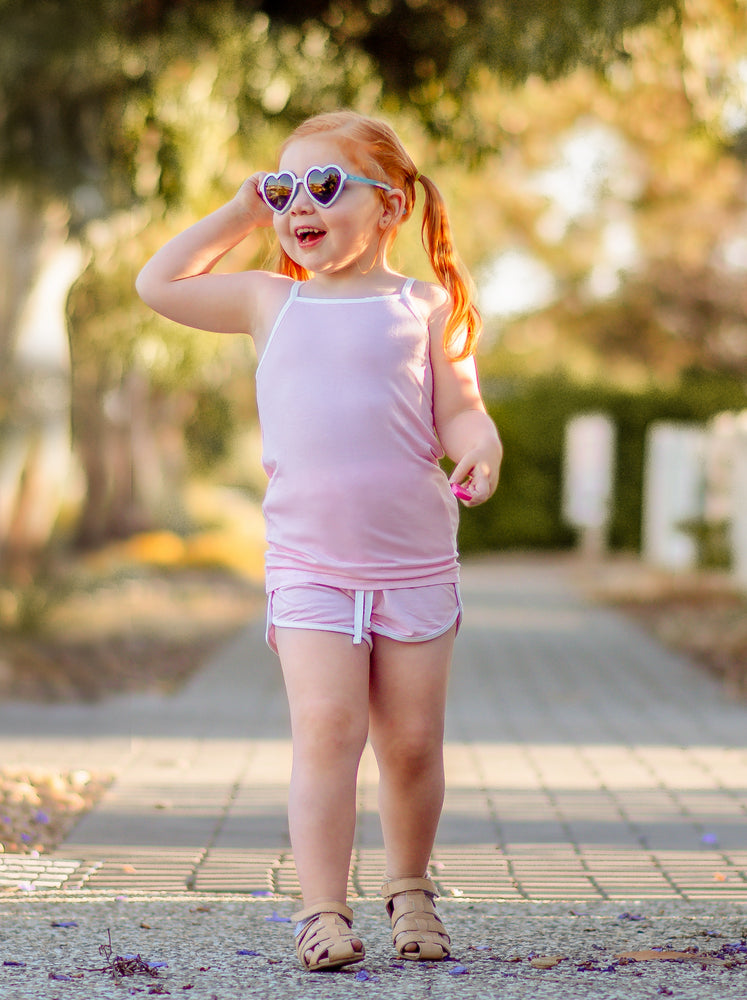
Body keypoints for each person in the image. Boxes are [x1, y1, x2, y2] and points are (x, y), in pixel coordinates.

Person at [136, 109, 502, 972]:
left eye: (324, 185)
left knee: (411, 743)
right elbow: (157, 283)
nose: (299, 203)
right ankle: (320, 910)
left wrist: (480, 448)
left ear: (390, 206)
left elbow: (461, 410)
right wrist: (237, 211)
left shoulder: (425, 304)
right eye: (284, 187)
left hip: (413, 564)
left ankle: (410, 887)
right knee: (327, 732)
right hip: (309, 567)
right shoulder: (271, 298)